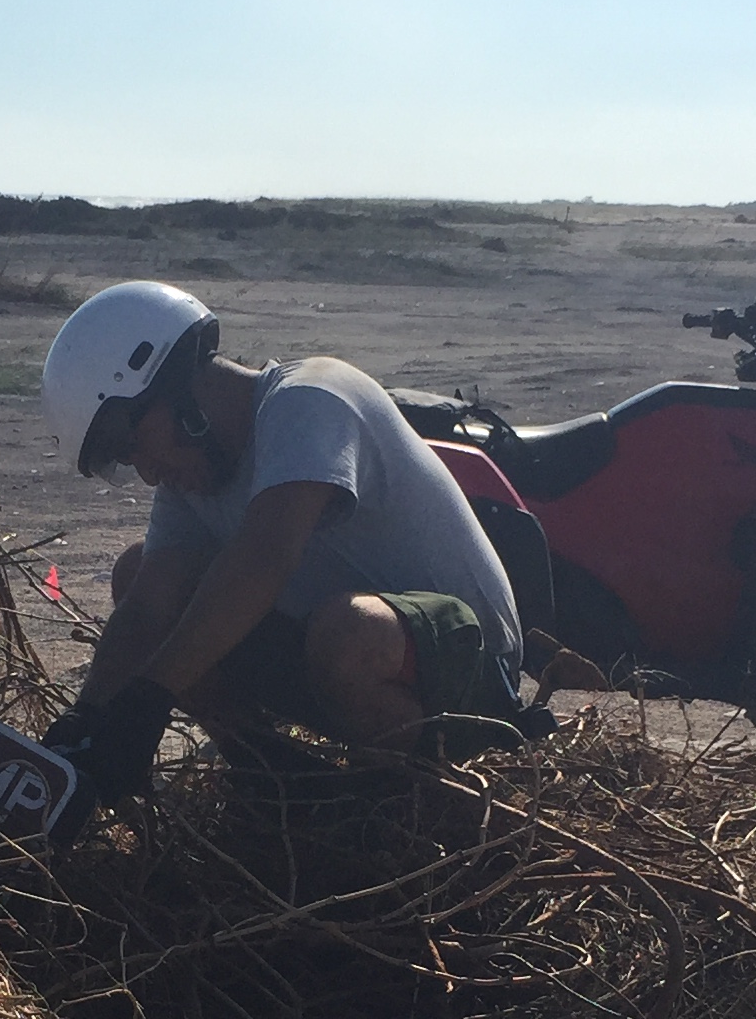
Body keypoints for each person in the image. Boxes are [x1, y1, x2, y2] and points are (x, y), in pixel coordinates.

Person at [34, 281, 525, 800]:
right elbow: (148, 605)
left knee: (348, 630)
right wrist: (87, 718)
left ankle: (402, 807)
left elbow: (265, 557)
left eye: (132, 445)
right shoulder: (194, 476)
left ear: (176, 394)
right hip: (355, 667)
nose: (149, 474)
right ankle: (276, 787)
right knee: (136, 571)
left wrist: (148, 700)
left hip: (471, 682)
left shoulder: (310, 398)